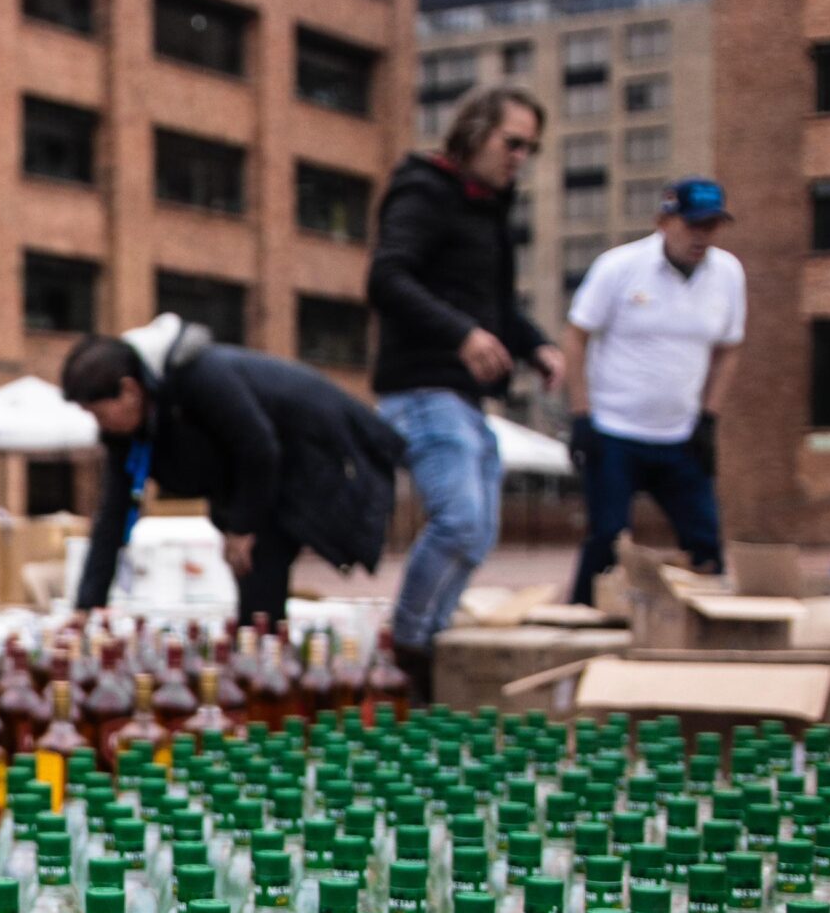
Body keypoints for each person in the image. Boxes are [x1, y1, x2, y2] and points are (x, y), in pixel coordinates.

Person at [367, 86, 564, 704]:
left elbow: (497, 308)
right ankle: (406, 651)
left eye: (530, 149)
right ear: (476, 132)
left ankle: (433, 648)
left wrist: (538, 347)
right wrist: (461, 334)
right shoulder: (424, 190)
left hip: (466, 398)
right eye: (512, 143)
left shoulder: (490, 212)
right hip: (421, 388)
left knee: (479, 536)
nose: (520, 158)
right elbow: (385, 277)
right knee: (459, 522)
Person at [63, 314, 406, 625]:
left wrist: (242, 526)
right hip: (256, 485)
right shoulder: (130, 434)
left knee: (257, 577)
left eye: (99, 413)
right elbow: (113, 514)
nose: (99, 424)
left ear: (129, 390)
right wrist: (86, 606)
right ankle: (260, 652)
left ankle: (265, 660)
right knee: (254, 587)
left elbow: (257, 447)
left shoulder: (199, 375)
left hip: (314, 457)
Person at [562, 179, 746, 605]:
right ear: (664, 222)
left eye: (712, 226)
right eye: (693, 225)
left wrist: (709, 418)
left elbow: (729, 349)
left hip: (680, 437)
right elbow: (575, 337)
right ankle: (582, 621)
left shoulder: (728, 274)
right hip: (614, 432)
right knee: (607, 539)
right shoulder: (619, 267)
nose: (702, 237)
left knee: (704, 543)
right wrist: (581, 416)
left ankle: (705, 628)